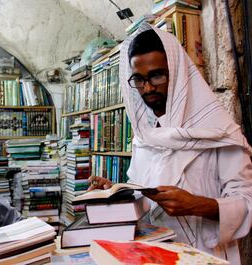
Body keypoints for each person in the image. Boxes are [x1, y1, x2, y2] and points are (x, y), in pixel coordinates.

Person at [88, 23, 252, 264]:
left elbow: (248, 203)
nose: (148, 88)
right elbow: (143, 193)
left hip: (205, 257)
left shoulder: (218, 132)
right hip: (150, 255)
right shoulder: (144, 136)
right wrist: (116, 192)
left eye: (157, 75)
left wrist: (197, 205)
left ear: (177, 73)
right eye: (139, 79)